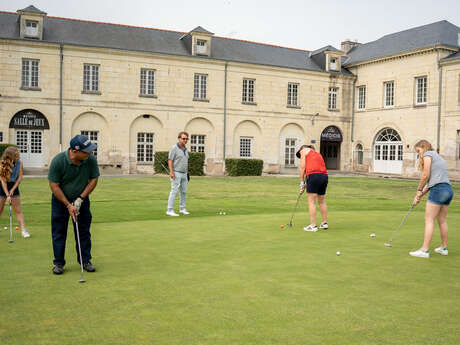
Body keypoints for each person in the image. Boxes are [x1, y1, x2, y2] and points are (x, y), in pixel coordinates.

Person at [48, 135, 100, 275]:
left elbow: (94, 179)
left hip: (81, 200)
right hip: (60, 201)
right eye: (86, 151)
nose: (90, 153)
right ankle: (58, 263)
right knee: (59, 231)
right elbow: (54, 186)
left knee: (83, 231)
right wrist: (67, 205)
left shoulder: (90, 160)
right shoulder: (58, 161)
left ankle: (85, 260)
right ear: (75, 151)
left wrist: (80, 199)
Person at [409, 140, 453, 258]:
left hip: (439, 190)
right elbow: (430, 183)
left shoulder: (428, 154)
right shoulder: (438, 157)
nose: (419, 154)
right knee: (442, 220)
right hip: (448, 190)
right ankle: (444, 248)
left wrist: (418, 190)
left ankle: (424, 250)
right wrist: (419, 196)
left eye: (418, 151)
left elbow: (425, 175)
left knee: (429, 220)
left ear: (424, 147)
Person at [296, 144, 328, 232]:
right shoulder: (317, 154)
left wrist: (301, 182)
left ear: (301, 149)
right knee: (321, 200)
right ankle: (324, 223)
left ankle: (313, 226)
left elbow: (303, 167)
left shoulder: (303, 150)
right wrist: (305, 184)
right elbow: (314, 170)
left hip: (313, 176)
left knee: (311, 201)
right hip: (324, 176)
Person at [0, 146, 30, 238]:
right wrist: (7, 194)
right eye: (17, 154)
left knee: (18, 210)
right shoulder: (2, 164)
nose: (19, 155)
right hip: (2, 186)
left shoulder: (20, 163)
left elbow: (20, 177)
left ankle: (23, 231)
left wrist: (13, 189)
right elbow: (3, 180)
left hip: (14, 185)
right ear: (11, 155)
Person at [166, 131, 190, 216]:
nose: (185, 140)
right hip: (176, 173)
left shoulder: (186, 149)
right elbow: (170, 160)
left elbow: (185, 161)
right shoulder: (174, 148)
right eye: (183, 138)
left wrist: (187, 173)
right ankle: (169, 210)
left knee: (183, 191)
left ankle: (182, 208)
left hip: (184, 173)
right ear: (179, 138)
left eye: (187, 139)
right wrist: (171, 172)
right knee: (174, 191)